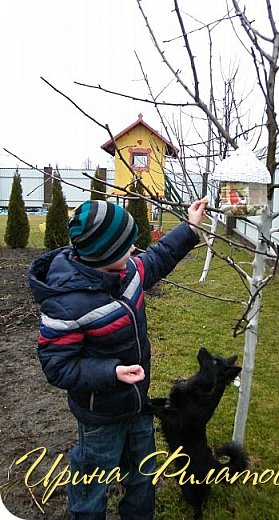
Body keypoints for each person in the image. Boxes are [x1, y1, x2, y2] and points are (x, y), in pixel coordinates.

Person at [28, 198, 206, 520]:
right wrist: (111, 372)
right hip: (99, 416)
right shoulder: (66, 305)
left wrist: (190, 228)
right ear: (106, 256)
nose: (136, 249)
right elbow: (57, 365)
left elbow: (159, 256)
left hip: (137, 404)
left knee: (143, 474)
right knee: (92, 481)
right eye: (127, 245)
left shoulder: (128, 272)